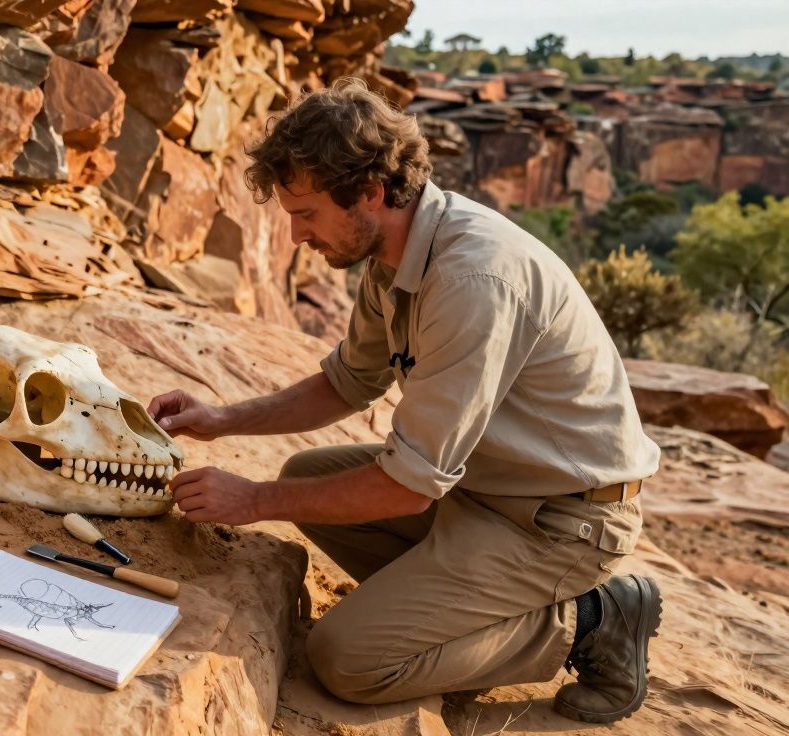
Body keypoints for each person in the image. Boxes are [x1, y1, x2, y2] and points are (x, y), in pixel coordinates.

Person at [147, 77, 662, 724]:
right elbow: (348, 382)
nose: (297, 236)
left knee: (348, 659)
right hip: (483, 490)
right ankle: (455, 600)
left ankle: (593, 618)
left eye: (306, 214)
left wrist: (252, 502)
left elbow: (410, 487)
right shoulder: (392, 253)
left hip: (561, 522)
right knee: (304, 476)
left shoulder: (471, 279)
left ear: (370, 191)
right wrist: (221, 420)